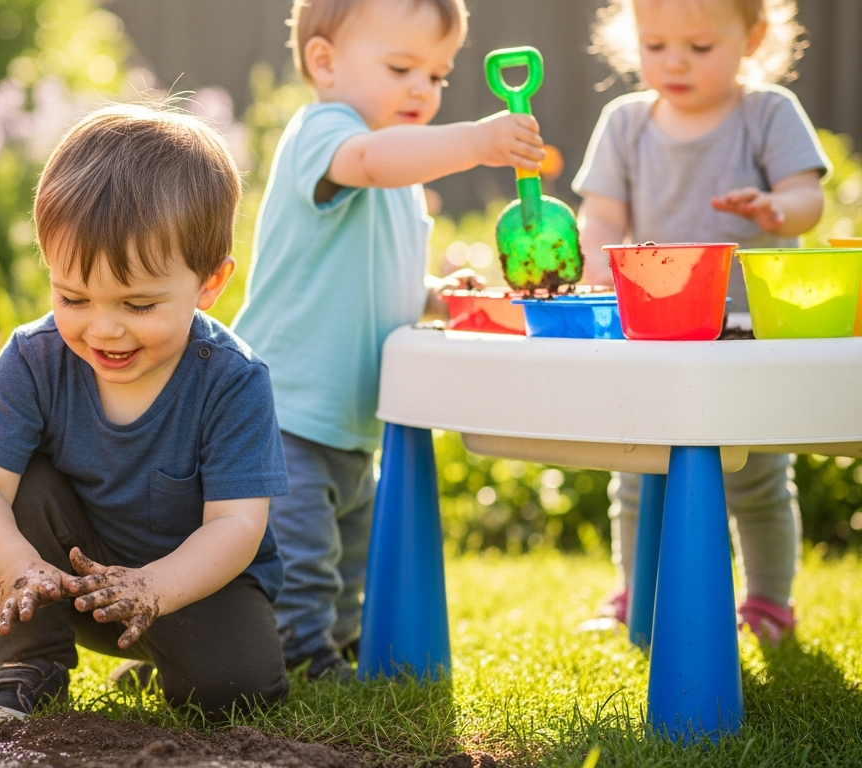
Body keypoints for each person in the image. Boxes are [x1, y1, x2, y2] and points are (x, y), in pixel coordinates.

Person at [231, 0, 546, 680]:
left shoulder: (401, 182)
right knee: (304, 554)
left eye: (437, 76)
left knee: (351, 551)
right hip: (285, 407)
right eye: (401, 67)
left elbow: (379, 270)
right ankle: (301, 651)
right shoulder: (327, 134)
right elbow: (373, 161)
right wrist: (477, 142)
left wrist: (437, 294)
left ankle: (335, 642)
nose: (422, 90)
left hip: (349, 420)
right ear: (324, 62)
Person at [0, 105, 291, 720]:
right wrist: (18, 568)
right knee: (20, 480)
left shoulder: (231, 380)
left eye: (137, 304)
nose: (103, 328)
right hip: (64, 585)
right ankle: (31, 660)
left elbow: (238, 527)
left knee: (235, 693)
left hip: (189, 587)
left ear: (209, 283)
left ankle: (166, 654)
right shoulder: (35, 359)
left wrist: (153, 590)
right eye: (73, 296)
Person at [575, 0, 828, 642]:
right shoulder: (625, 121)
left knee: (760, 477)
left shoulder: (766, 112)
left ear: (752, 37)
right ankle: (638, 593)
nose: (675, 62)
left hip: (750, 332)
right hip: (654, 333)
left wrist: (777, 208)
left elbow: (808, 199)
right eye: (655, 46)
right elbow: (602, 214)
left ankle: (769, 603)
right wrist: (597, 265)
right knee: (637, 471)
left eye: (698, 47)